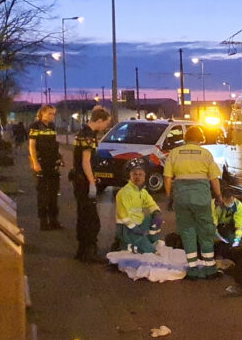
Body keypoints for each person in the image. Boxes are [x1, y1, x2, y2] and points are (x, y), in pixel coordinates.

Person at [163, 125, 223, 279]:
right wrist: (219, 196)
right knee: (205, 230)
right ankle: (210, 268)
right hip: (201, 197)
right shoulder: (205, 153)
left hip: (181, 197)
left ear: (186, 138)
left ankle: (193, 269)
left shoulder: (174, 153)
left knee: (187, 231)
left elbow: (168, 178)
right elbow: (214, 178)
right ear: (200, 138)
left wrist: (170, 196)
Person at [71, 105, 112, 262]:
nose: (105, 127)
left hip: (79, 180)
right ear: (99, 120)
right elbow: (86, 162)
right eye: (106, 124)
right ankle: (89, 252)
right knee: (91, 219)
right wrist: (92, 182)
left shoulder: (83, 132)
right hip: (84, 181)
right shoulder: (88, 135)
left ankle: (82, 251)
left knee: (83, 216)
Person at [115, 160, 163, 253]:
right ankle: (127, 245)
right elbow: (124, 217)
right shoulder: (125, 192)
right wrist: (135, 229)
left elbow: (151, 204)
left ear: (144, 176)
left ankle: (148, 240)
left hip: (137, 226)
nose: (138, 177)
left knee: (154, 218)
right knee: (150, 251)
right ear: (130, 176)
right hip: (126, 229)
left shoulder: (142, 192)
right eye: (135, 174)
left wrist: (157, 213)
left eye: (140, 174)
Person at [28, 105, 63, 230]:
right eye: (49, 113)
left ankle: (54, 220)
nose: (52, 116)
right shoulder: (35, 126)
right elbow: (32, 146)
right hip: (41, 163)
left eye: (53, 114)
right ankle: (43, 222)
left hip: (52, 163)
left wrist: (59, 158)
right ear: (42, 113)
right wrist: (35, 162)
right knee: (43, 194)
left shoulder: (52, 126)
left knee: (54, 193)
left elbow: (54, 145)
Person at [212, 186, 242, 256]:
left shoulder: (238, 205)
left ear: (234, 198)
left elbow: (239, 225)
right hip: (217, 227)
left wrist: (237, 240)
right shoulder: (215, 204)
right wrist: (217, 236)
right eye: (227, 201)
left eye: (231, 201)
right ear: (222, 198)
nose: (229, 203)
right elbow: (212, 223)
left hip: (229, 227)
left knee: (233, 243)